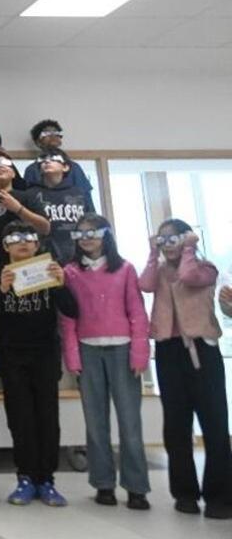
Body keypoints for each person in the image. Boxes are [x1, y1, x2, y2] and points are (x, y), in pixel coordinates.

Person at [0, 222, 77, 507]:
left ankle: (46, 480)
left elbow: (72, 310)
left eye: (29, 238)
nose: (23, 243)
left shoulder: (50, 268)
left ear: (37, 244)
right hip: (11, 357)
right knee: (19, 418)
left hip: (45, 353)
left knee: (48, 417)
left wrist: (60, 286)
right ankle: (25, 478)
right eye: (15, 239)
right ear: (5, 245)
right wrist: (0, 289)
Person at [138, 220, 230, 519]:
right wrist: (153, 253)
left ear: (188, 239)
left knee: (214, 423)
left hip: (202, 349)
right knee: (176, 425)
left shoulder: (205, 267)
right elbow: (145, 284)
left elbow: (189, 276)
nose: (168, 243)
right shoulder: (161, 270)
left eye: (174, 238)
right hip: (168, 349)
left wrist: (189, 246)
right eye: (162, 238)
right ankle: (185, 493)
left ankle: (220, 495)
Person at [59, 214, 151, 510]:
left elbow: (137, 313)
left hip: (123, 351)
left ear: (106, 235)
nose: (86, 238)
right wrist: (72, 357)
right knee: (96, 424)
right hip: (87, 351)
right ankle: (103, 484)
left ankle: (136, 487)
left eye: (93, 232)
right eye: (80, 234)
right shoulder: (70, 272)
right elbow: (67, 319)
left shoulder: (125, 269)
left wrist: (140, 353)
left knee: (130, 422)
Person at [0, 150, 50, 276]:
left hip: (28, 270)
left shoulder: (28, 197)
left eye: (5, 164)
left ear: (13, 173)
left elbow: (45, 228)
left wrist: (19, 209)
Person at [26, 148, 94, 263]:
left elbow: (92, 222)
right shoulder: (31, 194)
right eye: (42, 160)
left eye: (54, 159)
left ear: (65, 167)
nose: (47, 162)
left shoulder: (79, 192)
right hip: (44, 258)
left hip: (79, 256)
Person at [22, 119, 94, 205]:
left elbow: (86, 198)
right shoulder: (32, 169)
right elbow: (28, 200)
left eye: (56, 133)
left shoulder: (74, 167)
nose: (53, 135)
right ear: (38, 142)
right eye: (46, 133)